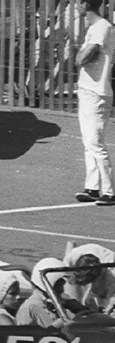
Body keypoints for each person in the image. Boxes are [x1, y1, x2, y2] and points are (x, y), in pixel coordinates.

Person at [74, 0, 115, 206]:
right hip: (88, 89)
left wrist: (80, 56)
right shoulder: (95, 27)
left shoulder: (101, 27)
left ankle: (108, 190)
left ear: (84, 4)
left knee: (95, 141)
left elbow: (85, 56)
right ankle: (92, 186)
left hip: (96, 91)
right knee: (88, 141)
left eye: (77, 2)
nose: (75, 5)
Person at [16, 257, 74, 328]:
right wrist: (54, 327)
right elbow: (24, 335)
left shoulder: (55, 306)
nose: (62, 290)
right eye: (59, 286)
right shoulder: (29, 309)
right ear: (50, 284)